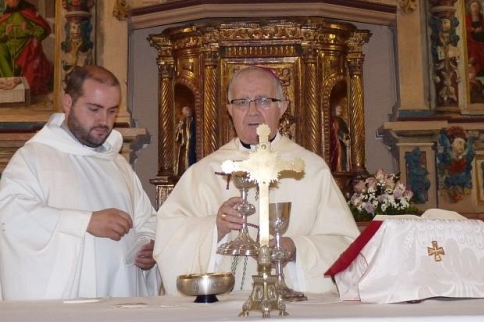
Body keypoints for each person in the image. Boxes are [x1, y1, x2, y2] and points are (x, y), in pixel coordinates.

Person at [155, 66, 359, 295]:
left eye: (263, 100)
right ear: (229, 109)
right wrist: (214, 228)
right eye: (242, 102)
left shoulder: (310, 169)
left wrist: (296, 249)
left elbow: (345, 246)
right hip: (223, 307)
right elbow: (168, 239)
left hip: (290, 307)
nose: (252, 111)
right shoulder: (205, 172)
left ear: (282, 106)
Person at [0, 65, 160, 300]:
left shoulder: (117, 164)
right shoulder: (34, 157)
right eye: (94, 109)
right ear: (68, 103)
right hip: (65, 305)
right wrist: (85, 221)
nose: (104, 121)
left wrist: (148, 246)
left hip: (120, 297)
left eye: (112, 111)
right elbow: (10, 215)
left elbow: (147, 219)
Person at [0, 0, 53, 96]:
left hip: (26, 46)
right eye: (5, 1)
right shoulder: (6, 16)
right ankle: (8, 81)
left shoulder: (29, 12)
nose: (7, 3)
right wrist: (6, 33)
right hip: (9, 48)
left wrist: (27, 30)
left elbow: (43, 30)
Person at [465, 0, 484, 76]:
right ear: (470, 8)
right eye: (473, 6)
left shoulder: (480, 17)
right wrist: (472, 30)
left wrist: (482, 30)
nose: (475, 8)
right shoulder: (467, 17)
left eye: (477, 7)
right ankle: (476, 71)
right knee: (475, 49)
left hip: (481, 40)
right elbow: (464, 28)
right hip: (471, 41)